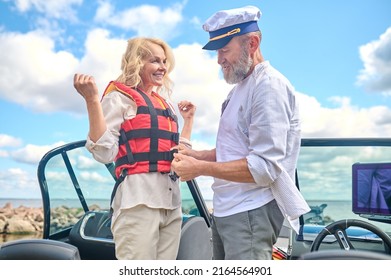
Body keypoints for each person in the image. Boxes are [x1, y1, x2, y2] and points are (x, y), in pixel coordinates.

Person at [171, 6, 310, 260]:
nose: (219, 59)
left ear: (252, 43)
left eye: (225, 50)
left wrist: (198, 169)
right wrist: (197, 156)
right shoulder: (238, 91)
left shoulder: (268, 86)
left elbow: (265, 167)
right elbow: (234, 150)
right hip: (228, 210)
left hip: (250, 213)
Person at [73, 37, 196, 260]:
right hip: (138, 204)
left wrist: (188, 122)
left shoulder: (165, 104)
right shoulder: (119, 98)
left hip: (172, 205)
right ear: (137, 63)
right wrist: (92, 100)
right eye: (155, 61)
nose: (163, 67)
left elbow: (179, 154)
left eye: (164, 61)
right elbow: (104, 152)